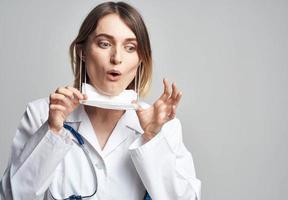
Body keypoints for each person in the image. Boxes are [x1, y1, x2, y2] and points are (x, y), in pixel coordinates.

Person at [0, 2, 201, 200]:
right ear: (83, 52)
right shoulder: (41, 114)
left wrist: (151, 138)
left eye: (130, 47)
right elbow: (11, 196)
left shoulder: (164, 127)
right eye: (104, 44)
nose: (117, 58)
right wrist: (52, 132)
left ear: (141, 59)